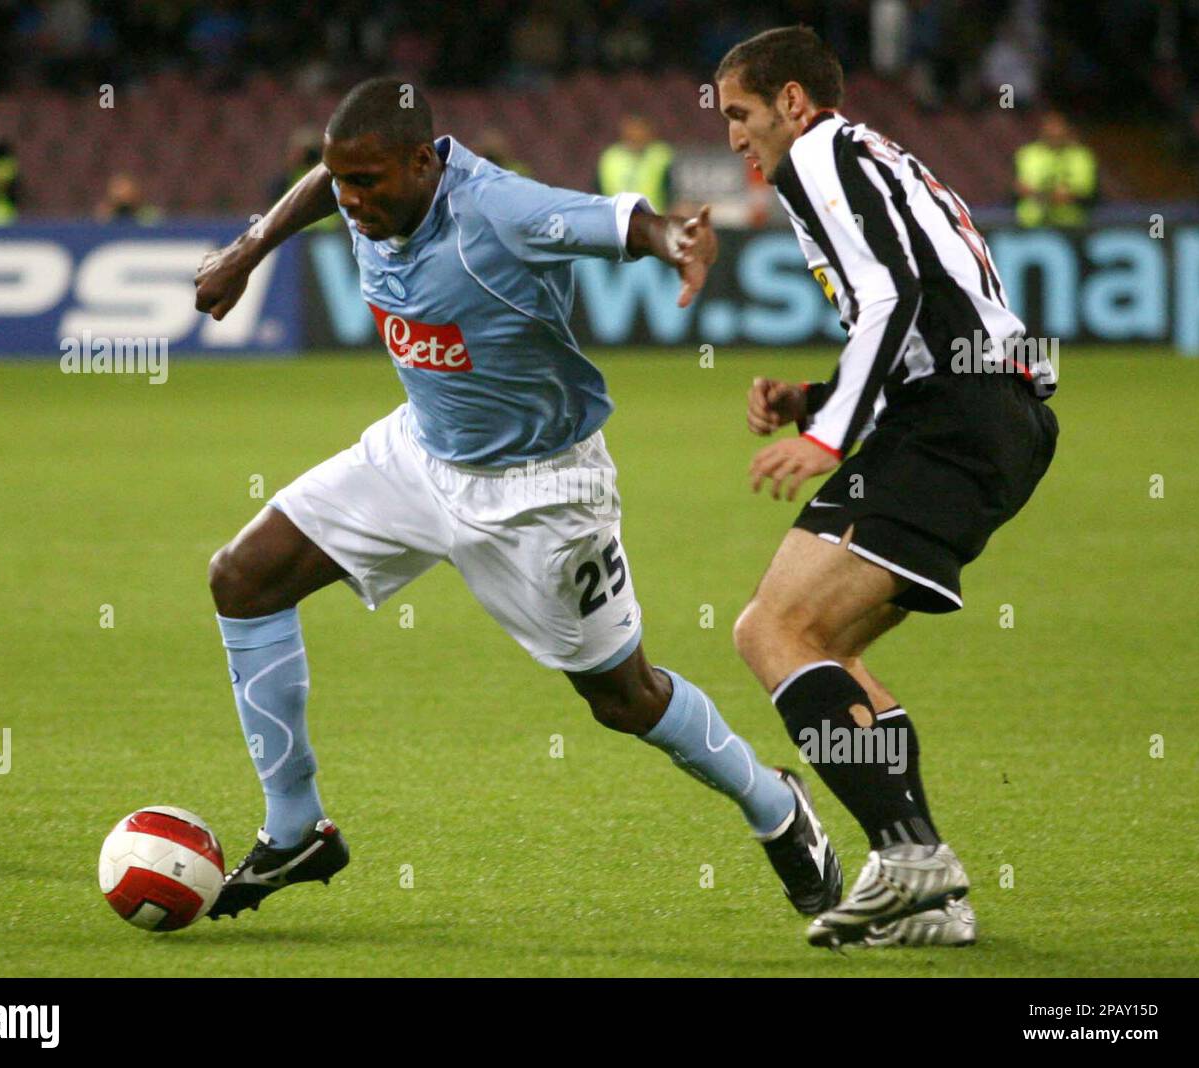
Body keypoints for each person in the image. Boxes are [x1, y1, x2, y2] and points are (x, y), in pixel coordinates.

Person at [193, 78, 842, 922]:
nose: (351, 203)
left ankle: (776, 807)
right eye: (342, 182)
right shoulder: (363, 183)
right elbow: (325, 180)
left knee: (622, 697)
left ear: (424, 162)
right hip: (419, 453)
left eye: (370, 183)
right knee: (242, 579)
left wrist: (671, 236)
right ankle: (296, 828)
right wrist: (248, 249)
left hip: (542, 493)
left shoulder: (497, 212)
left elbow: (614, 221)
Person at [716, 27, 1058, 948]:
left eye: (742, 114)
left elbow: (893, 294)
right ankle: (934, 899)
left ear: (793, 101)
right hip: (991, 411)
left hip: (957, 416)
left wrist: (829, 435)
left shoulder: (822, 150)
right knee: (830, 650)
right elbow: (928, 311)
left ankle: (910, 855)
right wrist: (816, 398)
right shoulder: (869, 156)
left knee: (773, 629)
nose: (734, 137)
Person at [1014, 110, 1098, 227]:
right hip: (1030, 223)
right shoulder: (1028, 154)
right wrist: (1049, 195)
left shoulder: (1081, 156)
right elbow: (1019, 186)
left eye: (1058, 127)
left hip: (1070, 225)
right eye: (1050, 126)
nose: (1054, 132)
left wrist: (1067, 195)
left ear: (1067, 129)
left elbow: (1086, 190)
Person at [597, 115, 673, 214]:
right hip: (616, 220)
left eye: (639, 129)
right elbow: (598, 191)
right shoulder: (610, 158)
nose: (635, 134)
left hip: (654, 218)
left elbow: (672, 190)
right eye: (632, 130)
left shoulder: (661, 156)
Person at [94, 173, 161, 224]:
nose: (121, 195)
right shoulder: (105, 215)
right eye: (118, 188)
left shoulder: (148, 213)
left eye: (125, 189)